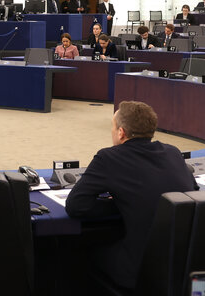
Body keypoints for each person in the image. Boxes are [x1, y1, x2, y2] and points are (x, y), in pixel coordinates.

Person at [66, 101, 197, 292]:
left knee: (77, 252)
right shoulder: (173, 152)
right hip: (184, 265)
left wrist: (119, 205)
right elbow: (192, 190)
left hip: (139, 269)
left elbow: (76, 206)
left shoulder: (108, 158)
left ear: (121, 132)